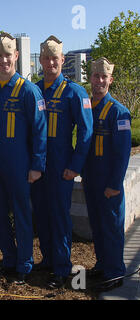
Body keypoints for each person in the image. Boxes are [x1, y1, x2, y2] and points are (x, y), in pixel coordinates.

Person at [0, 33, 47, 284]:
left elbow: (40, 131)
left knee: (21, 215)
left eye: (8, 55)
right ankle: (8, 259)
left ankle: (24, 263)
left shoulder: (29, 91)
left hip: (19, 165)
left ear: (16, 56)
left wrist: (36, 166)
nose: (3, 60)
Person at [30, 35, 93, 288]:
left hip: (61, 167)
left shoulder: (74, 92)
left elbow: (86, 133)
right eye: (46, 58)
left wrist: (75, 166)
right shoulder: (34, 90)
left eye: (54, 58)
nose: (50, 62)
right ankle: (47, 259)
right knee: (42, 215)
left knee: (59, 217)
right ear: (41, 60)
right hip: (38, 167)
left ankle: (61, 267)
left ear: (62, 60)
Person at [82, 57, 131, 292]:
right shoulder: (87, 107)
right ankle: (102, 264)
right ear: (90, 78)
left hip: (109, 182)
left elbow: (123, 155)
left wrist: (114, 183)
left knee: (111, 227)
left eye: (104, 77)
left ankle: (115, 271)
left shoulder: (119, 112)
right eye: (96, 76)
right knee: (97, 226)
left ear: (110, 80)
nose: (99, 81)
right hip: (91, 179)